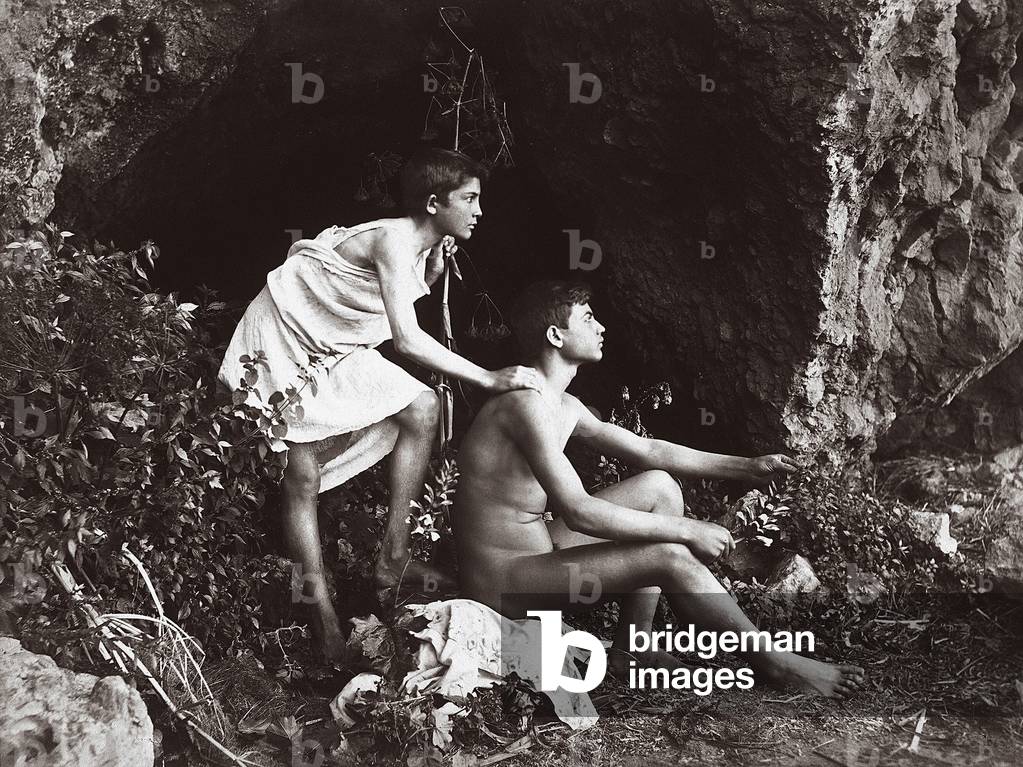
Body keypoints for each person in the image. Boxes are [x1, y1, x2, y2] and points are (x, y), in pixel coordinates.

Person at [452, 281, 865, 697]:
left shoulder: (563, 405)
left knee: (660, 489)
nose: (603, 328)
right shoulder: (524, 405)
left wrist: (748, 468)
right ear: (555, 336)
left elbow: (649, 449)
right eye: (589, 318)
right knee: (670, 555)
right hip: (502, 582)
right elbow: (579, 511)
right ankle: (777, 664)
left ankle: (633, 648)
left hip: (534, 549)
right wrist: (687, 531)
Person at [219, 148, 540, 660]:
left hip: (332, 344)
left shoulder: (417, 247)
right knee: (301, 477)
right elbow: (407, 341)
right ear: (434, 203)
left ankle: (393, 557)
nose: (480, 211)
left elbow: (382, 301)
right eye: (470, 199)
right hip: (282, 335)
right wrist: (487, 377)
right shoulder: (393, 236)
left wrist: (431, 271)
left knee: (421, 409)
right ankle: (320, 612)